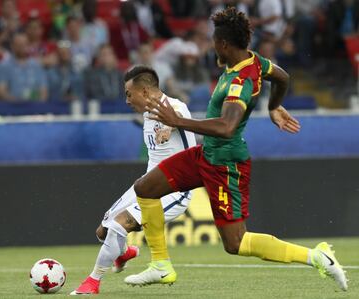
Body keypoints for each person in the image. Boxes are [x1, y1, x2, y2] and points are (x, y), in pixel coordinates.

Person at [123, 8, 348, 292]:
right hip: (206, 154)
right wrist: (273, 105)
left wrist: (178, 121)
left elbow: (228, 126)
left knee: (236, 243)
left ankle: (316, 257)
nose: (213, 46)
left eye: (215, 41)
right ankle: (160, 266)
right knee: (145, 188)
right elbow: (283, 77)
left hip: (226, 164)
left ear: (225, 45)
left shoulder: (239, 82)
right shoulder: (254, 61)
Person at [70, 65, 196, 295]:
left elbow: (177, 116)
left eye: (129, 94)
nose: (127, 101)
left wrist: (168, 127)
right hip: (150, 184)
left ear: (146, 92)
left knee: (118, 225)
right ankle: (125, 252)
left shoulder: (175, 106)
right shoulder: (147, 113)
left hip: (177, 189)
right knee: (103, 231)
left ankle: (93, 282)